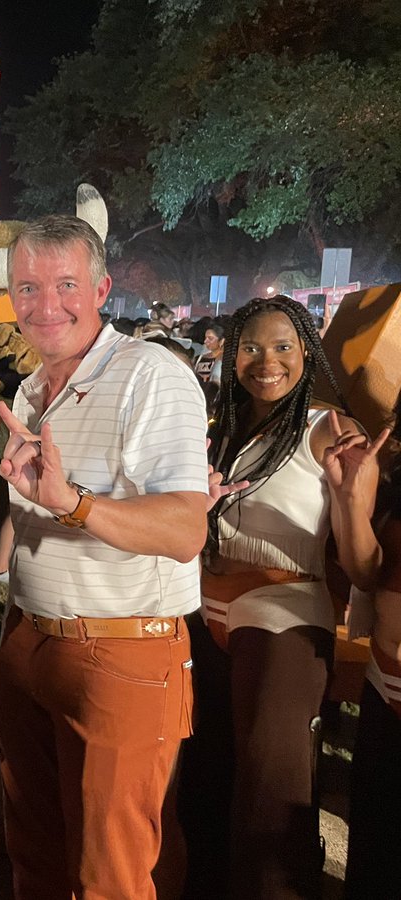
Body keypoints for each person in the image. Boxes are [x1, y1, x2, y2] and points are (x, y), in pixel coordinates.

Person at [0, 213, 210, 900]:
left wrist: (73, 502)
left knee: (113, 872)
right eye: (27, 287)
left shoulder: (150, 374)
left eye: (65, 285)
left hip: (121, 653)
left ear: (102, 288)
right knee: (37, 853)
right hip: (32, 638)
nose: (45, 304)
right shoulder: (30, 389)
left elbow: (184, 530)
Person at [176, 296, 385, 900]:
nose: (266, 361)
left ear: (307, 353)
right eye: (251, 347)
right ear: (230, 353)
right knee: (204, 786)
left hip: (281, 615)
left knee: (271, 799)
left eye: (283, 347)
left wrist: (349, 502)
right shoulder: (225, 426)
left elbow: (365, 571)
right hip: (203, 611)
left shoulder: (331, 430)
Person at [345, 421, 401, 899]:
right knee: (373, 845)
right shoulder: (391, 478)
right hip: (384, 680)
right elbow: (367, 574)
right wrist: (353, 501)